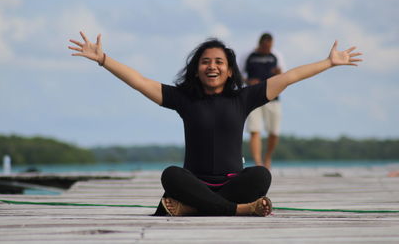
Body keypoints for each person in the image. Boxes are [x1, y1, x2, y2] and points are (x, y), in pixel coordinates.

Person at [68, 32, 362, 216]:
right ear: (196, 70)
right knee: (171, 175)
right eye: (206, 62)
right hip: (193, 183)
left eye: (219, 62)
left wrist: (329, 62)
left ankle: (194, 209)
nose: (212, 66)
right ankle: (239, 211)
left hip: (233, 184)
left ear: (230, 69)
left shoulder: (244, 98)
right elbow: (140, 82)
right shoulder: (183, 98)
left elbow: (290, 77)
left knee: (260, 176)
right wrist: (103, 59)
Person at [243, 33, 285, 169]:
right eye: (266, 46)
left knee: (274, 131)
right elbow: (237, 73)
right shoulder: (248, 55)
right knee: (255, 130)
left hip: (273, 97)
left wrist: (278, 73)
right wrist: (248, 81)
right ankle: (258, 162)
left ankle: (267, 157)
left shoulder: (276, 55)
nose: (268, 49)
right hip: (253, 96)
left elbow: (283, 76)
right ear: (260, 44)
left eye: (270, 46)